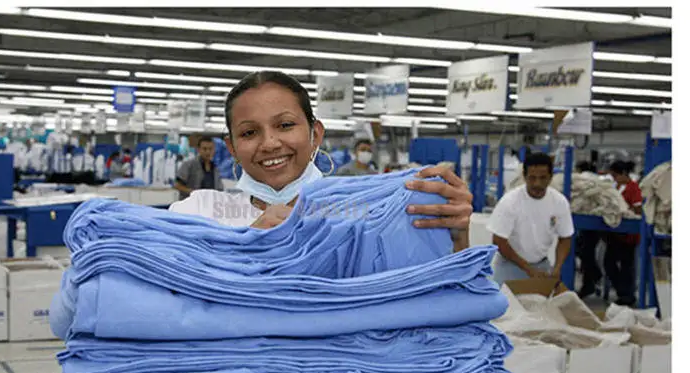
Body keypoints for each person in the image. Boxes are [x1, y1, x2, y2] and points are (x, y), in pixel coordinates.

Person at [169, 70, 472, 250]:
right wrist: (246, 248)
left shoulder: (371, 215)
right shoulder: (197, 214)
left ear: (315, 133)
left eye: (285, 125)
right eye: (249, 132)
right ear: (232, 148)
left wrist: (454, 238)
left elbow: (435, 296)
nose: (270, 143)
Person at [487, 152, 575, 283]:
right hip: (509, 265)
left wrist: (557, 267)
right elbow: (499, 241)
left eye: (543, 178)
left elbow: (565, 237)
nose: (537, 184)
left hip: (541, 265)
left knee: (541, 303)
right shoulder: (510, 202)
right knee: (506, 302)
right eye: (532, 178)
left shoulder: (559, 202)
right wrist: (527, 269)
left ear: (551, 177)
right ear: (524, 176)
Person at [603, 160, 643, 306]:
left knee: (627, 266)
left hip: (628, 236)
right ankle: (623, 292)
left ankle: (627, 295)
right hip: (615, 234)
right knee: (609, 264)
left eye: (615, 175)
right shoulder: (616, 187)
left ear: (623, 174)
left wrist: (625, 212)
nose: (614, 178)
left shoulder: (634, 188)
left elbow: (638, 210)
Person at [574, 160, 603, 298]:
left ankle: (594, 278)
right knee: (586, 251)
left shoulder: (583, 179)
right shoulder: (597, 179)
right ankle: (591, 281)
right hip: (595, 220)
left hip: (589, 220)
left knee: (585, 252)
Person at [174, 137, 225, 201]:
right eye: (204, 149)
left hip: (209, 204)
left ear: (214, 150)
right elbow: (177, 185)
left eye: (210, 149)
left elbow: (219, 189)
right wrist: (193, 193)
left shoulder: (215, 168)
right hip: (190, 204)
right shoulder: (188, 165)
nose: (208, 152)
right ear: (198, 149)